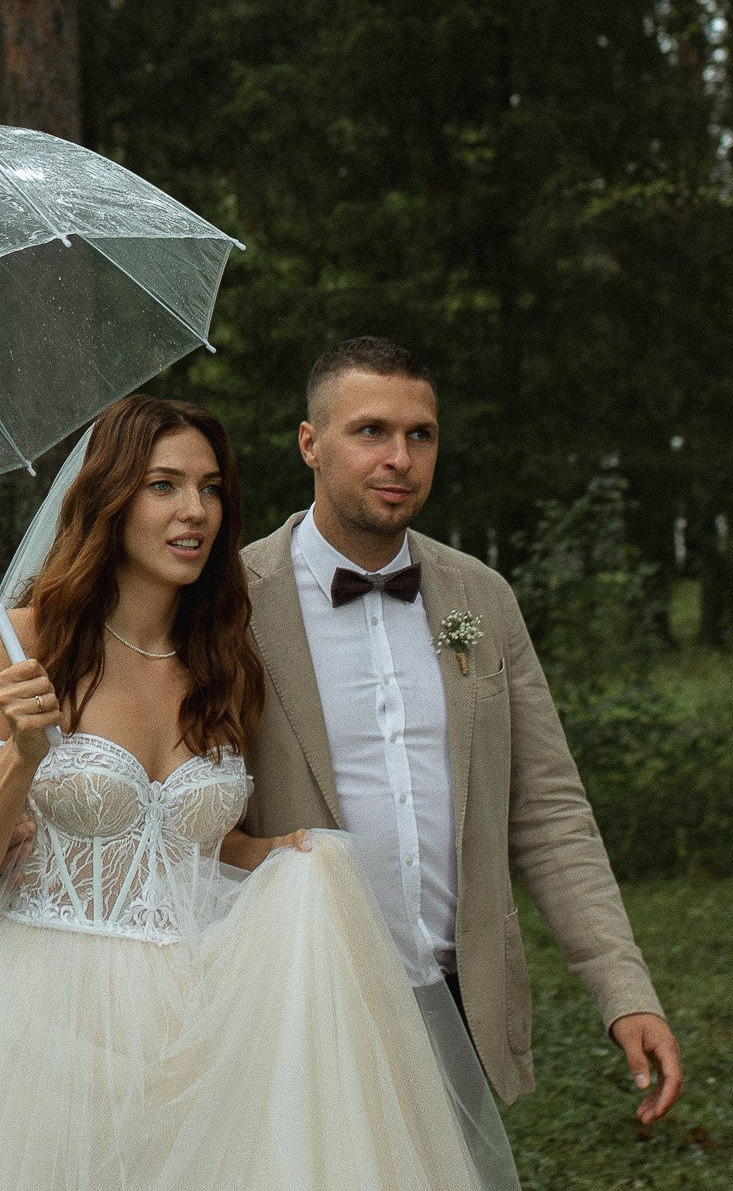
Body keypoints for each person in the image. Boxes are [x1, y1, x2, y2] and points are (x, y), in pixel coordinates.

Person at [0, 393, 515, 1191]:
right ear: (111, 500)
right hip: (36, 1024)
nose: (194, 511)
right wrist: (21, 759)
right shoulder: (21, 642)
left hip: (191, 1021)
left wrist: (277, 854)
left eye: (210, 488)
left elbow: (191, 843)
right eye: (163, 485)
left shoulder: (223, 659)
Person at [240, 336, 682, 1124]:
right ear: (310, 443)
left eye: (421, 435)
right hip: (296, 1002)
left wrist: (624, 992)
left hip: (458, 1005)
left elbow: (548, 811)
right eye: (371, 430)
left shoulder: (482, 595)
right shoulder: (233, 603)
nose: (400, 458)